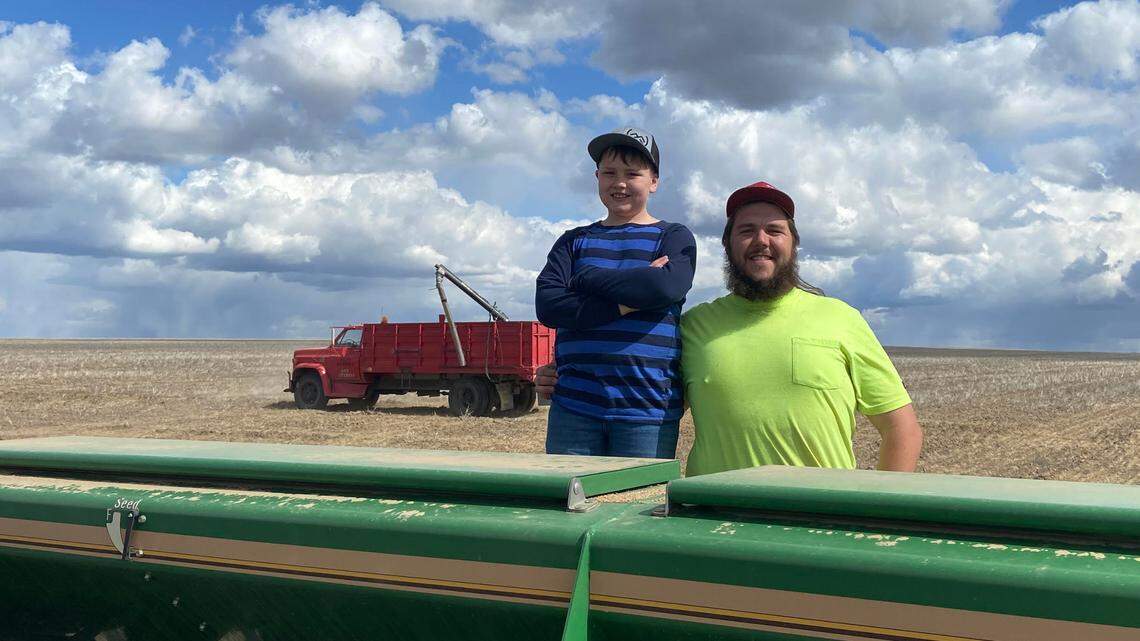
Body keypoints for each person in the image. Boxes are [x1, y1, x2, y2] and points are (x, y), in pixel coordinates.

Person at [537, 181, 922, 474]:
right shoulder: (693, 328)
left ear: (794, 243)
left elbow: (901, 430)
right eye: (746, 230)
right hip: (712, 525)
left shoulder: (842, 319)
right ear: (727, 246)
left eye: (775, 230)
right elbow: (643, 380)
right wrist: (564, 376)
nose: (761, 241)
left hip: (818, 525)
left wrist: (874, 517)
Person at [534, 127, 697, 458]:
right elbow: (549, 306)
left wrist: (585, 278)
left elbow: (663, 286)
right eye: (609, 173)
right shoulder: (572, 240)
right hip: (574, 407)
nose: (619, 183)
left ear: (654, 181)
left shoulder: (673, 236)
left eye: (632, 173)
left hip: (647, 410)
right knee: (567, 505)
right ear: (597, 177)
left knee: (638, 508)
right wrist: (630, 301)